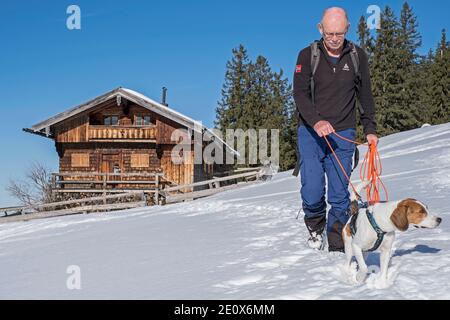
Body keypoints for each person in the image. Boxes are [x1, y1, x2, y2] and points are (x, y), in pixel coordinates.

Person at [293, 7, 378, 252]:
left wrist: (370, 128)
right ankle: (315, 228)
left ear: (347, 30)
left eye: (339, 34)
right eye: (329, 33)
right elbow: (299, 93)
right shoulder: (307, 55)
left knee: (340, 193)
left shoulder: (357, 56)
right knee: (312, 189)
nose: (333, 38)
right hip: (311, 132)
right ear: (321, 29)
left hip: (343, 133)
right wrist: (316, 120)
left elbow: (365, 95)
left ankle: (338, 242)